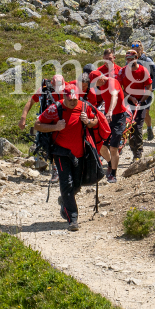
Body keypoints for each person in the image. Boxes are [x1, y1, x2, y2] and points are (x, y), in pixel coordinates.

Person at [34, 82, 102, 232]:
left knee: (77, 185)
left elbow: (95, 121)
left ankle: (64, 202)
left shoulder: (84, 107)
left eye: (75, 99)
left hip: (80, 153)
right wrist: (55, 127)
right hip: (60, 152)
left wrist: (88, 122)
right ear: (64, 97)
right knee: (67, 184)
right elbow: (37, 124)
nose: (73, 102)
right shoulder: (55, 109)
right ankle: (73, 219)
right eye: (70, 99)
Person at [89, 69, 129, 183]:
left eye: (95, 83)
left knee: (113, 147)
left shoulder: (112, 82)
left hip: (118, 117)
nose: (95, 85)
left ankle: (113, 174)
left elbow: (114, 96)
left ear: (101, 79)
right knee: (101, 144)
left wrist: (110, 110)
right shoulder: (101, 85)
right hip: (107, 117)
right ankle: (110, 163)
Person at [117, 48, 153, 162]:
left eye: (132, 59)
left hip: (141, 102)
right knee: (129, 127)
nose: (130, 61)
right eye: (128, 59)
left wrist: (142, 100)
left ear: (136, 58)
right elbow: (119, 88)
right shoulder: (122, 71)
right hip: (128, 102)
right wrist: (130, 97)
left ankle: (138, 153)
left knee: (137, 127)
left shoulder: (143, 71)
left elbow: (149, 88)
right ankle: (133, 150)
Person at [132, 43, 155, 140]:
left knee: (145, 112)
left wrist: (152, 88)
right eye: (133, 49)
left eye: (136, 50)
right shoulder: (130, 60)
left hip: (147, 90)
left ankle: (149, 128)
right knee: (133, 111)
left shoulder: (147, 60)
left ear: (140, 50)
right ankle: (135, 133)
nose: (135, 51)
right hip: (134, 90)